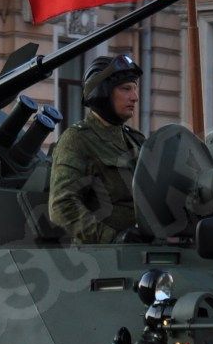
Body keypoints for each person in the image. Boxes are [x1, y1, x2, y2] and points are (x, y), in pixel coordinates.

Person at [48, 53, 147, 244]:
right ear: (102, 92)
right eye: (126, 89)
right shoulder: (77, 139)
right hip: (101, 257)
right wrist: (113, 238)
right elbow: (62, 206)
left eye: (135, 89)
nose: (134, 97)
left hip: (143, 251)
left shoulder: (136, 140)